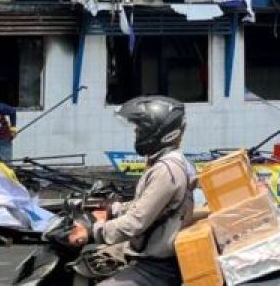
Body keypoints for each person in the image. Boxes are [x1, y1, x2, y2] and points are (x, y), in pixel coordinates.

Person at [68, 95, 195, 286]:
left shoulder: (166, 170)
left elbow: (135, 222)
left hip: (157, 267)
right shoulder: (166, 162)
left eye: (141, 127)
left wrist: (91, 231)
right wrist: (111, 209)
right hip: (147, 255)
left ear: (159, 132)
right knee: (88, 264)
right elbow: (146, 205)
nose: (136, 131)